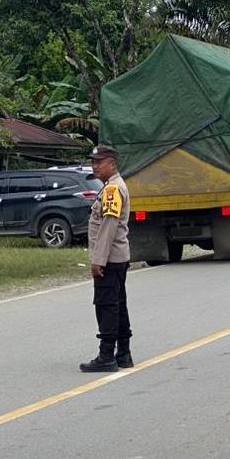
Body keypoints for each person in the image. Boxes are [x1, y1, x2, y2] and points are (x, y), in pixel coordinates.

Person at [81, 145, 132, 372]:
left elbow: (108, 226)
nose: (95, 166)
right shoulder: (112, 187)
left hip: (110, 259)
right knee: (118, 305)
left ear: (112, 163)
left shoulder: (112, 190)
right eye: (93, 162)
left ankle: (106, 356)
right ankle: (123, 354)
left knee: (107, 306)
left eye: (99, 162)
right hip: (117, 257)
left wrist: (98, 260)